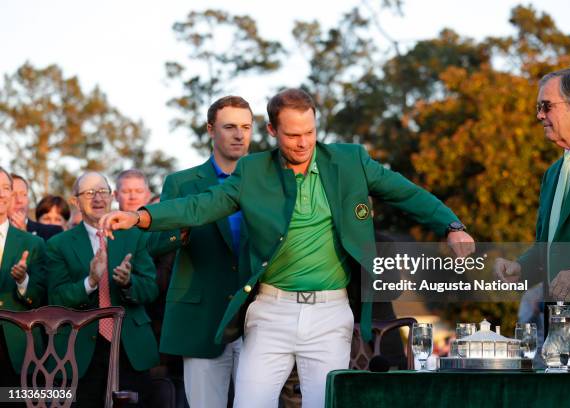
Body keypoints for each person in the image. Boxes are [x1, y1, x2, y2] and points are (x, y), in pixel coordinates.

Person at [100, 88, 474, 407]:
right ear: (272, 130)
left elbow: (406, 192)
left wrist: (452, 225)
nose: (303, 143)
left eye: (310, 132)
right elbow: (201, 205)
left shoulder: (350, 161)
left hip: (330, 313)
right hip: (270, 313)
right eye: (293, 135)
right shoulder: (253, 172)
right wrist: (141, 216)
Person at [496, 68, 570, 368]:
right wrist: (518, 267)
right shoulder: (551, 175)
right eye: (539, 107)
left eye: (546, 106)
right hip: (556, 341)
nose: (539, 115)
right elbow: (545, 247)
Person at [147, 95, 253, 408]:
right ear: (210, 129)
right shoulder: (181, 183)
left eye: (246, 127)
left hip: (257, 315)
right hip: (201, 315)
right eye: (229, 126)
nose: (239, 134)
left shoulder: (270, 180)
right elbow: (154, 243)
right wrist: (179, 233)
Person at [46, 171, 159, 407]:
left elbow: (150, 289)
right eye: (89, 193)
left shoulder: (134, 236)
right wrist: (90, 282)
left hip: (130, 347)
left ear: (111, 197)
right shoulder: (59, 244)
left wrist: (129, 282)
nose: (98, 198)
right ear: (75, 202)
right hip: (81, 350)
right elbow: (55, 298)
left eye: (102, 191)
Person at [0, 167, 46, 388]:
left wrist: (22, 281)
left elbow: (41, 297)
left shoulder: (33, 244)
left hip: (19, 349)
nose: (1, 194)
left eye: (6, 188)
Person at [8, 174, 63, 240]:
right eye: (13, 195)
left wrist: (24, 233)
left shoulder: (52, 232)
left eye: (24, 194)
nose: (19, 200)